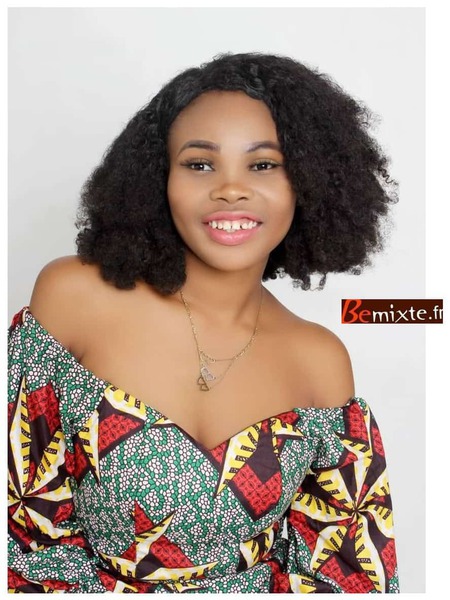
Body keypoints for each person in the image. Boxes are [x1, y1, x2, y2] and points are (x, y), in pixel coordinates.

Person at [8, 52, 399, 593]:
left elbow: (343, 575)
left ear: (309, 182)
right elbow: (18, 527)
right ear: (158, 180)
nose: (230, 189)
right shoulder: (75, 297)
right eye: (199, 164)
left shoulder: (320, 360)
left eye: (263, 165)